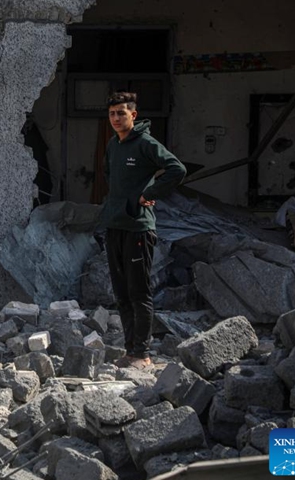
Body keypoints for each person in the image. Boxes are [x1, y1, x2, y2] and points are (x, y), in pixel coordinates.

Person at [100, 92, 186, 369]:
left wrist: (148, 193)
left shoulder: (146, 143)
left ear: (133, 115)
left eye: (121, 113)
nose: (116, 118)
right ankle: (130, 351)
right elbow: (109, 176)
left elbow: (177, 169)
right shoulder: (113, 144)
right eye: (112, 114)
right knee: (121, 294)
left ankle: (143, 354)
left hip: (138, 228)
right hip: (115, 225)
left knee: (139, 293)